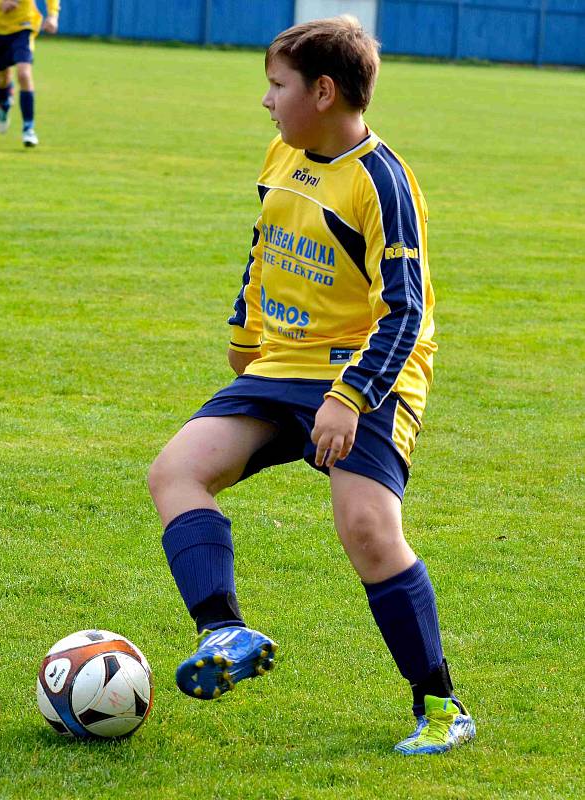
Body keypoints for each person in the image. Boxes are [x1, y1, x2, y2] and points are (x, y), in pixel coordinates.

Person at [147, 16, 476, 755]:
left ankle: (440, 706)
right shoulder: (283, 151)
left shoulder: (380, 181)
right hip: (282, 363)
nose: (265, 101)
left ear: (323, 91)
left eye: (276, 84)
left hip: (368, 366)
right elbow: (262, 250)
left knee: (366, 530)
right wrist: (243, 339)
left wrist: (348, 395)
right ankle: (224, 632)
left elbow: (405, 310)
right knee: (175, 472)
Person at [0, 0, 60, 147]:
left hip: (24, 26)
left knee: (24, 74)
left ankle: (28, 128)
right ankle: (4, 104)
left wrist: (53, 16)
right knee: (2, 78)